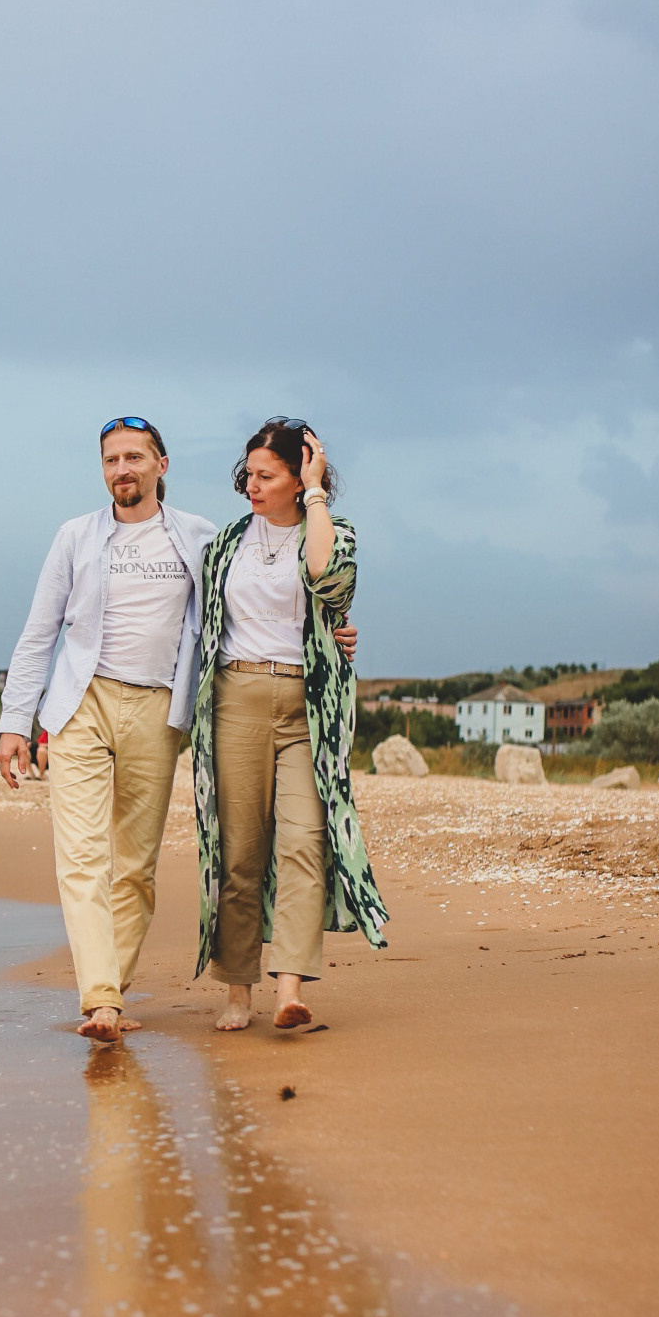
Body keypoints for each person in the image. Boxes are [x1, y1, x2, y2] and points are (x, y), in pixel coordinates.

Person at [0, 419, 216, 1042]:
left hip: (157, 710)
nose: (122, 469)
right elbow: (39, 632)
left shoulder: (198, 537)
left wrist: (334, 627)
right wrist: (15, 722)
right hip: (80, 706)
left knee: (137, 867)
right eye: (111, 460)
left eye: (134, 458)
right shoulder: (75, 537)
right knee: (83, 856)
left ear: (161, 464)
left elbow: (254, 589)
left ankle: (111, 986)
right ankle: (102, 1001)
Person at [190, 418, 387, 1031]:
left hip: (309, 705)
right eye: (248, 474)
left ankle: (291, 988)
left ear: (298, 477)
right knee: (241, 852)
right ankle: (237, 991)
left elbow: (330, 579)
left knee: (305, 843)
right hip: (235, 696)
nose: (252, 485)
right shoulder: (224, 545)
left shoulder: (333, 533)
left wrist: (318, 494)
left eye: (266, 475)